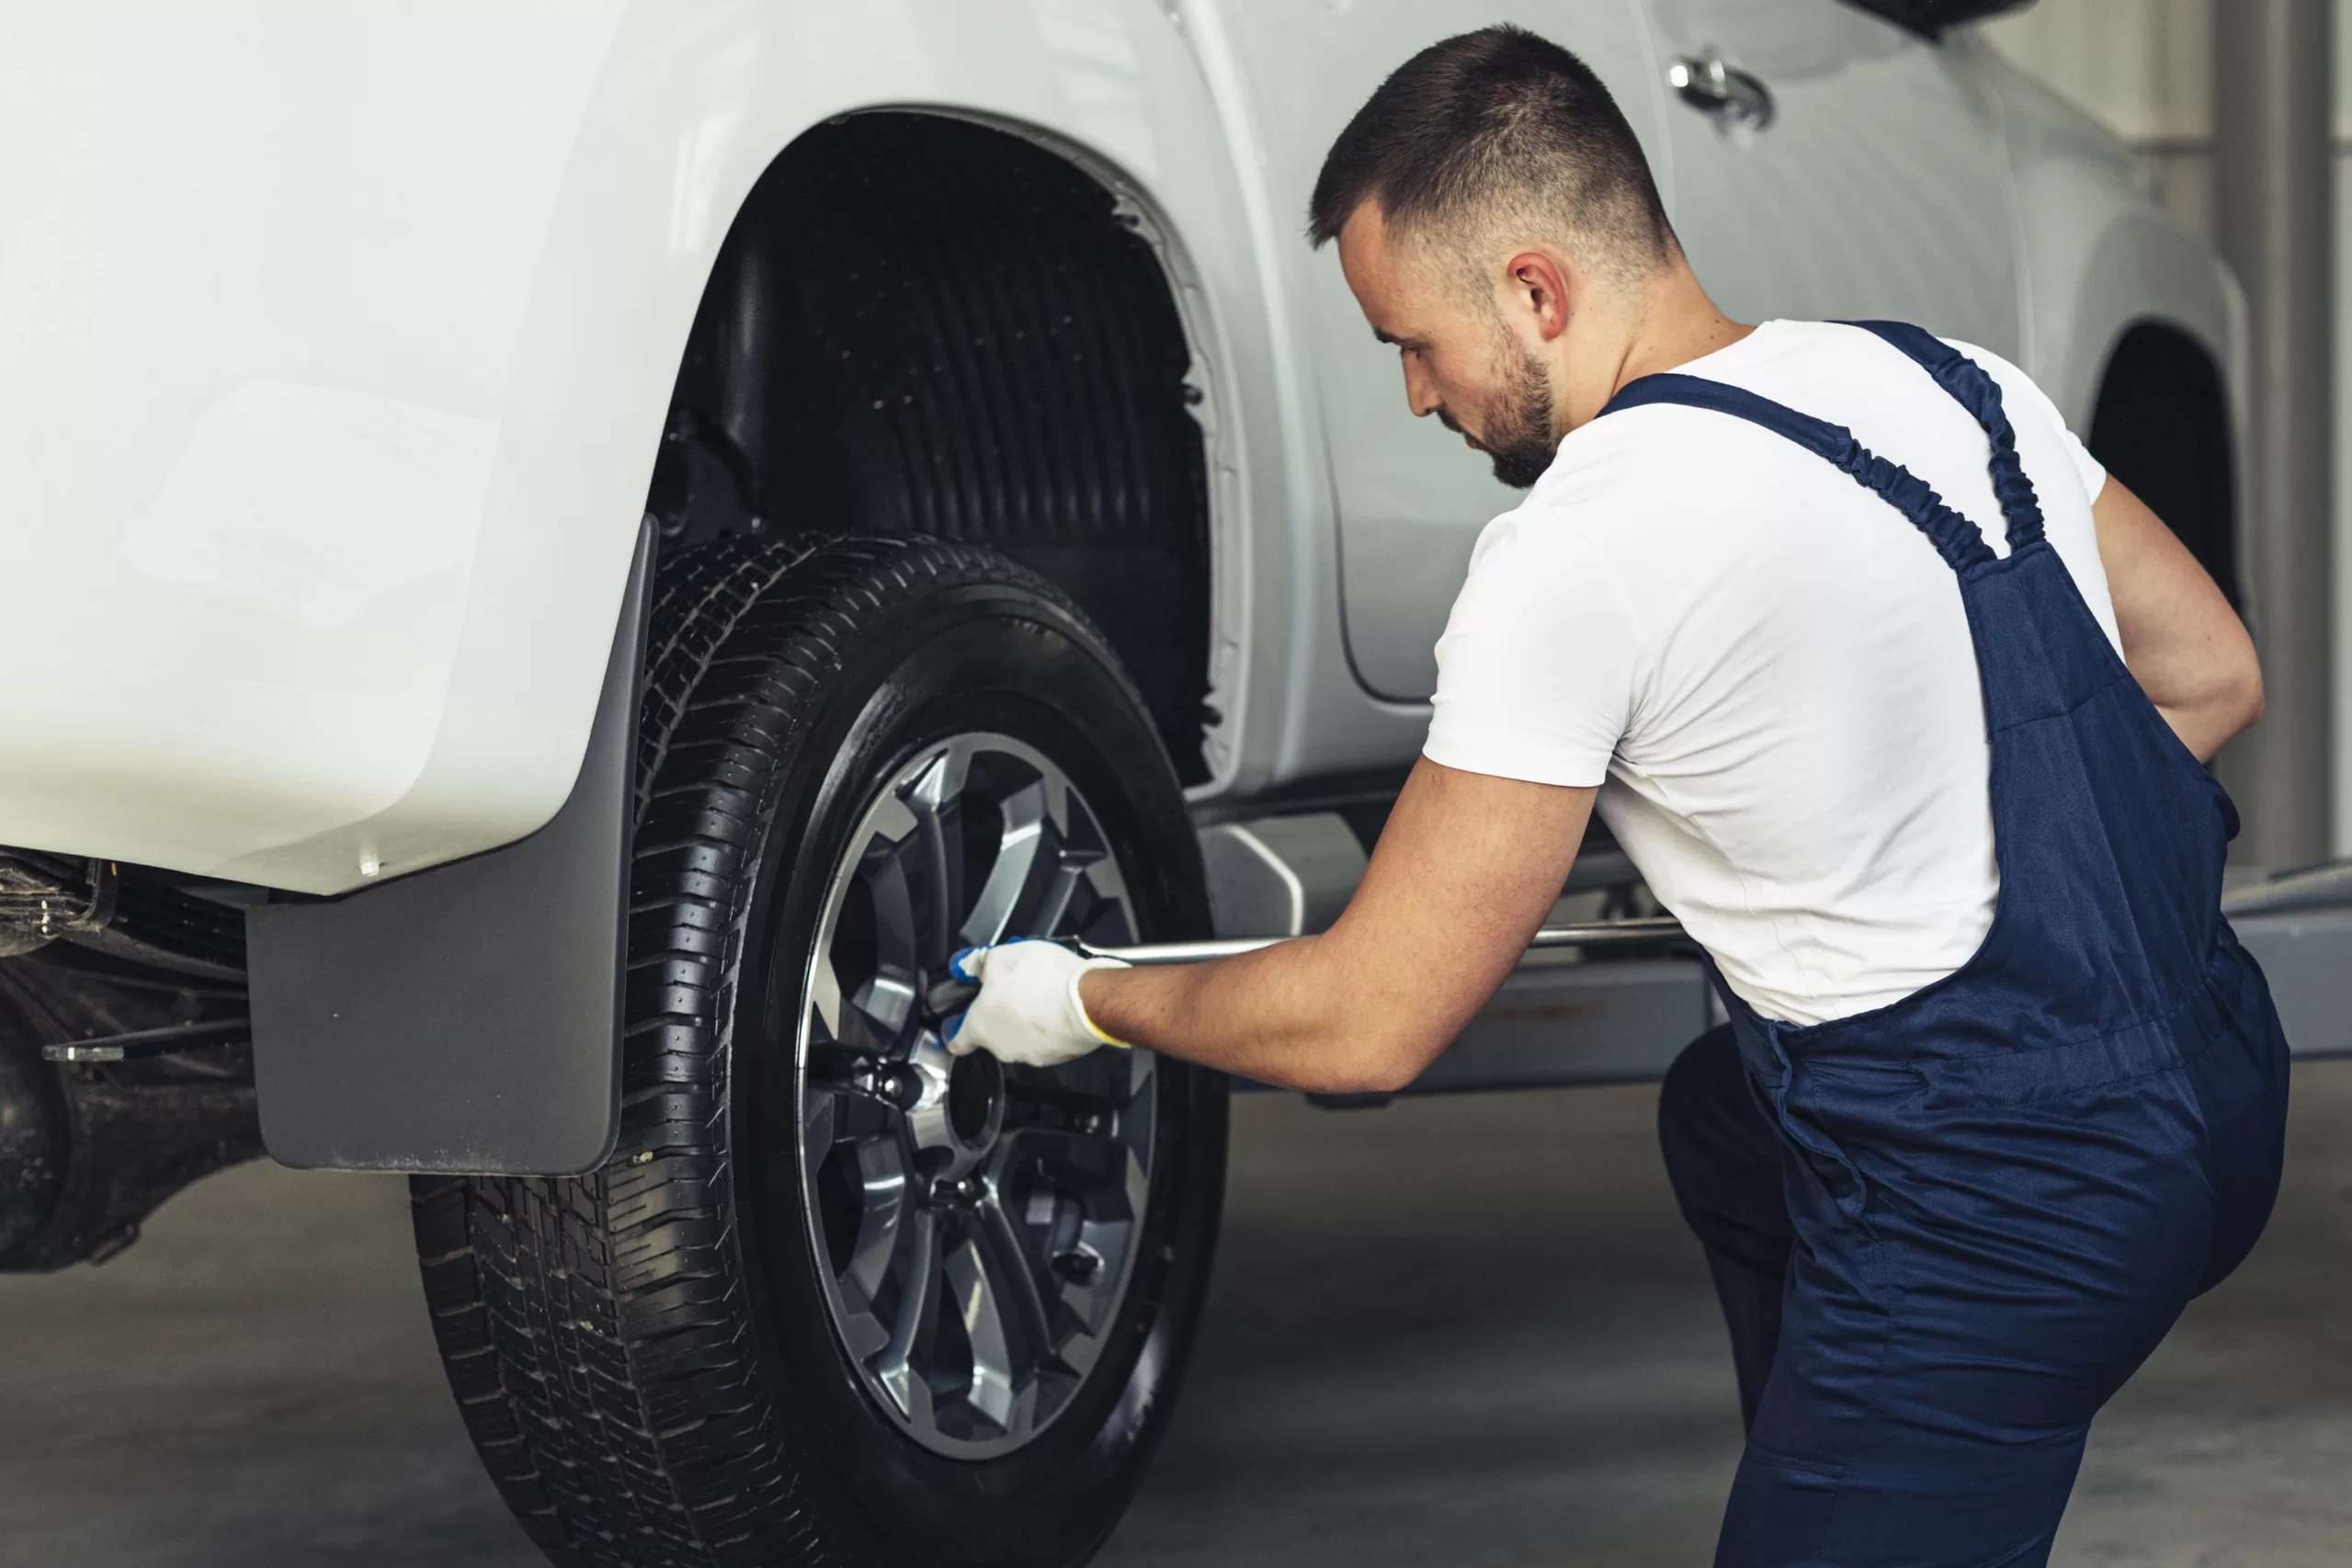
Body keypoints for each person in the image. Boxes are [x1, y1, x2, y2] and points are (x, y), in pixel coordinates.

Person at [946, 25, 2290, 1567]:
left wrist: (1086, 1000)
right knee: (1723, 1119)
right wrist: (1919, 831)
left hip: (2004, 1217)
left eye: (1411, 341)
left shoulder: (1573, 555)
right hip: (2214, 1088)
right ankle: (1858, 1446)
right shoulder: (1946, 380)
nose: (1409, 394)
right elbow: (2208, 678)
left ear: (1533, 289)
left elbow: (1367, 1027)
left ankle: (1883, 1449)